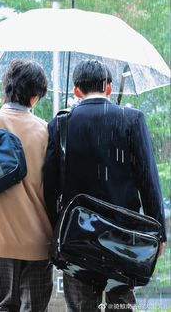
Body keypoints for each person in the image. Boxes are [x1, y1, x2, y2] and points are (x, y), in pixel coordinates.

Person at [43, 60, 166, 312]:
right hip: (122, 238)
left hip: (77, 237)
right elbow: (148, 179)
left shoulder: (61, 124)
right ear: (109, 88)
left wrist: (57, 229)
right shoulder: (131, 119)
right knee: (120, 305)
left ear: (77, 91)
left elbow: (51, 186)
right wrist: (158, 232)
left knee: (81, 306)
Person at [0, 59, 53, 312]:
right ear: (35, 97)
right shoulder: (46, 130)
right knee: (36, 307)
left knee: (4, 305)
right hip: (39, 237)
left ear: (7, 88)